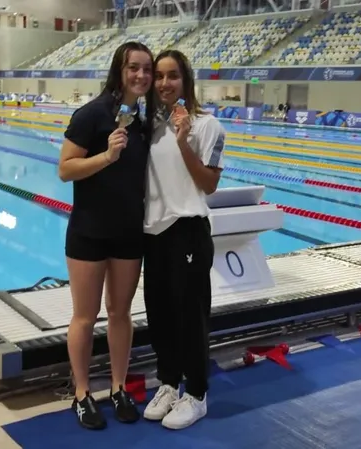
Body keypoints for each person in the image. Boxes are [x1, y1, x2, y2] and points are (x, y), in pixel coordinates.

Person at [57, 41, 157, 431]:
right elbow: (65, 169)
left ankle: (118, 387)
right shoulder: (92, 115)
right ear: (120, 69)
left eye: (147, 69)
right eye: (134, 67)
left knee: (120, 313)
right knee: (85, 316)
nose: (142, 76)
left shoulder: (145, 123)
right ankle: (81, 394)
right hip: (89, 233)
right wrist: (106, 157)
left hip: (129, 232)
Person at [141, 49, 225, 430]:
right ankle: (170, 384)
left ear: (186, 80)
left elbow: (207, 184)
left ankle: (198, 393)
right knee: (160, 316)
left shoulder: (208, 126)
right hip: (155, 233)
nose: (164, 83)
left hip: (188, 230)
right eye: (158, 76)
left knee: (190, 317)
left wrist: (183, 140)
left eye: (172, 76)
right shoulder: (152, 125)